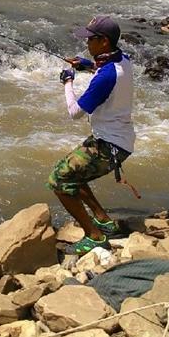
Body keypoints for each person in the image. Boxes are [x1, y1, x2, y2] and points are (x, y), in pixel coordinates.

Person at [47, 15, 135, 254]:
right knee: (75, 172)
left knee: (59, 179)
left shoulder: (106, 76)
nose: (87, 43)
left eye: (91, 39)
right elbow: (103, 66)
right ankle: (104, 221)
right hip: (118, 139)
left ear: (104, 42)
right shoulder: (122, 59)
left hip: (109, 145)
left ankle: (94, 236)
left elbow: (75, 112)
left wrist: (68, 82)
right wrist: (85, 64)